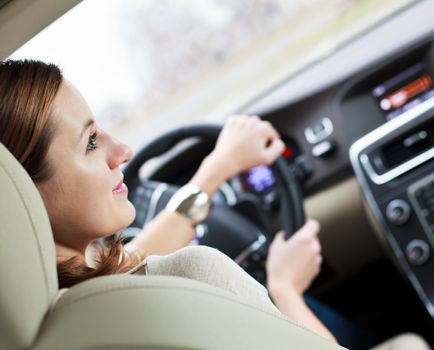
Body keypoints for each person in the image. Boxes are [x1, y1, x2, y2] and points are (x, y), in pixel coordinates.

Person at [0, 59, 339, 345]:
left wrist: (217, 169)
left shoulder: (50, 315)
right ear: (23, 192)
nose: (123, 151)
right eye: (90, 143)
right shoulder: (195, 276)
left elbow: (137, 259)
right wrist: (285, 288)